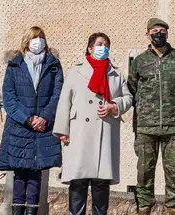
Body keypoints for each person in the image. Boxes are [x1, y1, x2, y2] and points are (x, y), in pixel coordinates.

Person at [53, 33, 134, 215]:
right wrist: (62, 130)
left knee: (101, 183)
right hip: (79, 133)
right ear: (90, 48)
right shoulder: (76, 71)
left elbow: (128, 98)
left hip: (105, 132)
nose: (103, 47)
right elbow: (65, 101)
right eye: (99, 44)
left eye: (106, 45)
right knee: (78, 182)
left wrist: (114, 106)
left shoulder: (115, 74)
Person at [128, 18, 175, 215]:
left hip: (173, 125)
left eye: (163, 30)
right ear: (147, 34)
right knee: (144, 173)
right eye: (155, 30)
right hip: (145, 126)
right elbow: (132, 88)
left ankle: (174, 208)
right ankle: (143, 208)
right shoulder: (139, 61)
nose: (159, 33)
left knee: (174, 174)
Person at [0, 27, 64, 215]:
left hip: (43, 127)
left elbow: (58, 94)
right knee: (19, 175)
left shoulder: (53, 65)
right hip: (20, 127)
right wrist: (27, 118)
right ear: (27, 40)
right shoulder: (15, 65)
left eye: (42, 37)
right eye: (35, 37)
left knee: (36, 175)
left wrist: (45, 117)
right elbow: (9, 96)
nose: (38, 40)